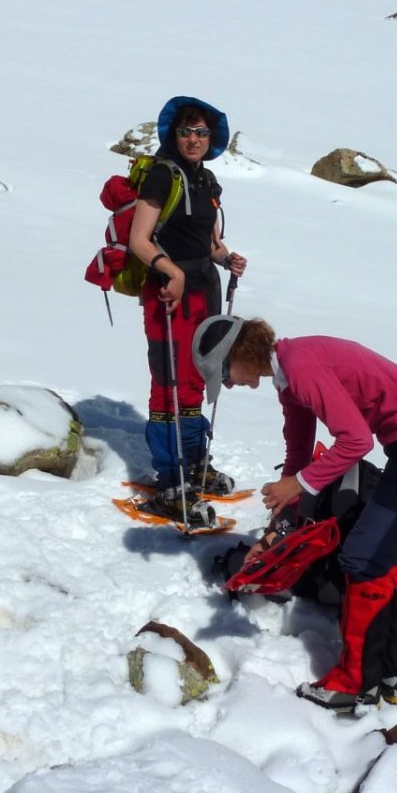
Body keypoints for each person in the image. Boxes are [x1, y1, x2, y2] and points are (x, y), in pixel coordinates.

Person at [193, 315, 397, 710]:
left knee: (361, 559)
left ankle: (354, 683)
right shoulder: (289, 377)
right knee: (377, 556)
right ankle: (390, 668)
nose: (229, 385)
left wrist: (298, 485)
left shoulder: (300, 368)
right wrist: (278, 528)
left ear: (240, 353)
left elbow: (356, 441)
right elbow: (299, 456)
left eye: (225, 375)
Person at [127, 95, 246, 517]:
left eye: (201, 132)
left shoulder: (206, 180)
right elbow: (138, 239)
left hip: (203, 287)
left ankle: (194, 462)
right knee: (169, 379)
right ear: (172, 134)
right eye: (185, 131)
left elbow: (209, 242)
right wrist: (172, 273)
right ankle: (170, 477)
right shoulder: (161, 175)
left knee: (197, 373)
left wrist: (225, 258)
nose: (193, 139)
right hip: (168, 289)